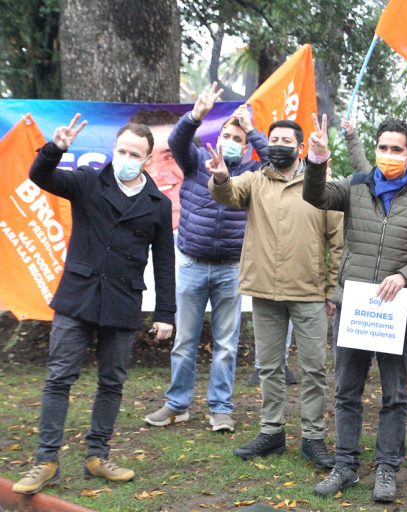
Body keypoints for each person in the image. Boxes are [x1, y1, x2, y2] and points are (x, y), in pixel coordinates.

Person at [12, 114, 176, 494]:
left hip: (122, 302)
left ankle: (97, 456)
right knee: (59, 379)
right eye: (121, 150)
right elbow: (41, 176)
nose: (126, 158)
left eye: (135, 153)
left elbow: (165, 263)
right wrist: (55, 149)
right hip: (78, 296)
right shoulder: (87, 181)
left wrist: (165, 313)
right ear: (112, 150)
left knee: (112, 383)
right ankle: (45, 460)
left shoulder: (157, 204)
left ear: (148, 159)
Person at [304, 114, 407, 502]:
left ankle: (387, 468)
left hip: (397, 312)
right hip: (354, 308)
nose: (387, 155)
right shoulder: (355, 186)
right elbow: (315, 197)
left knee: (395, 395)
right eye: (382, 147)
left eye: (396, 149)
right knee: (346, 390)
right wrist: (315, 162)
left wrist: (405, 275)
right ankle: (345, 465)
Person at [209, 118, 343, 469]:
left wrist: (332, 289)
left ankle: (313, 438)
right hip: (264, 289)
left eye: (286, 139)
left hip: (309, 292)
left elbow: (337, 242)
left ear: (300, 148)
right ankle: (272, 432)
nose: (278, 144)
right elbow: (227, 194)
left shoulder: (322, 184)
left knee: (314, 369)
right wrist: (221, 176)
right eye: (273, 139)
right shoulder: (254, 180)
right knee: (270, 367)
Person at [144, 83, 269, 433]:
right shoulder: (197, 160)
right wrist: (196, 114)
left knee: (227, 345)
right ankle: (177, 404)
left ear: (245, 148)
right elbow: (177, 142)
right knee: (184, 341)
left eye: (238, 138)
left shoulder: (254, 176)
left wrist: (254, 130)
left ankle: (221, 409)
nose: (230, 140)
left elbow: (278, 163)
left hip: (231, 269)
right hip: (191, 264)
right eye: (227, 133)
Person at [128, 109, 184, 229]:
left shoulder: (229, 237)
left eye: (171, 157)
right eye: (145, 159)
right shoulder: (107, 239)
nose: (156, 172)